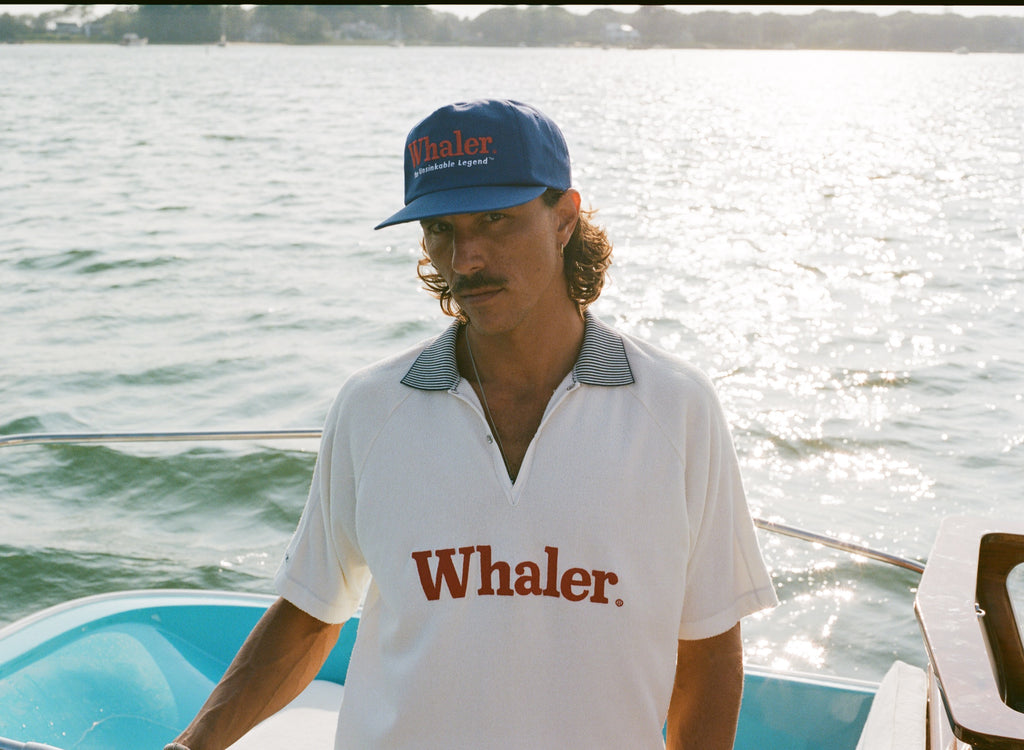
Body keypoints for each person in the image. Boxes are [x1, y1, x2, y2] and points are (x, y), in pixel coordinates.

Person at [166, 99, 777, 750]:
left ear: (565, 218)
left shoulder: (675, 409)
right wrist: (190, 746)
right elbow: (310, 614)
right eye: (441, 228)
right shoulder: (372, 407)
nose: (466, 258)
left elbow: (709, 648)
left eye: (495, 220)